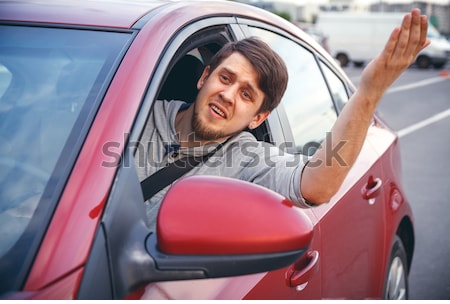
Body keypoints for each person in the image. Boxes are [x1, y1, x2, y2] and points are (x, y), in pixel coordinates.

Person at [136, 8, 429, 230]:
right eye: (225, 78)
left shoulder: (248, 159)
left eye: (247, 95)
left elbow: (315, 187)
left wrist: (368, 92)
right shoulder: (134, 114)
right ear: (204, 77)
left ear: (258, 118)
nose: (227, 95)